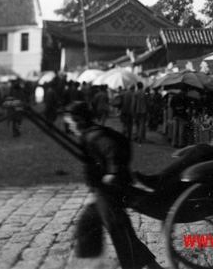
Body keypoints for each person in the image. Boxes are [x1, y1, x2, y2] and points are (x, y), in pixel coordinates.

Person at [65, 102, 163, 269]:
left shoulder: (95, 136)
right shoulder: (89, 135)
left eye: (70, 123)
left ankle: (146, 266)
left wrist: (114, 173)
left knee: (119, 229)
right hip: (101, 190)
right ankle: (91, 263)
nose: (70, 127)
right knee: (87, 223)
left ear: (80, 120)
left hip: (110, 190)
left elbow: (113, 149)